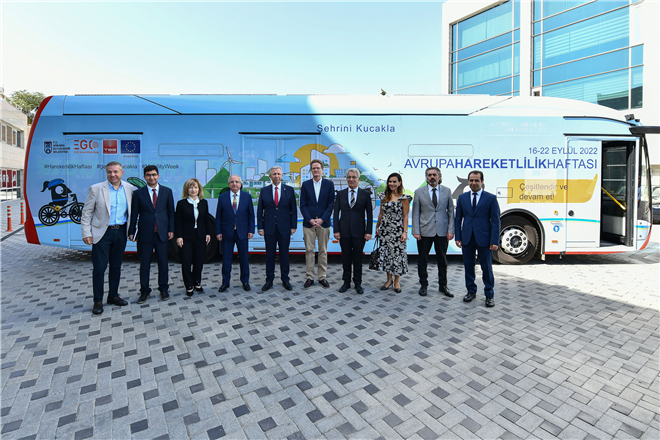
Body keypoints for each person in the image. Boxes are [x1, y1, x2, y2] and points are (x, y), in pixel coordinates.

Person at [81, 161, 134, 315]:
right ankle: (98, 300)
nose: (113, 175)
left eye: (116, 171)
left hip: (121, 232)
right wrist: (86, 233)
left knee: (116, 266)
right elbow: (86, 212)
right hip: (102, 233)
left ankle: (113, 296)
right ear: (106, 173)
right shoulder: (96, 188)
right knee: (100, 267)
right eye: (109, 172)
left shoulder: (129, 188)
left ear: (122, 173)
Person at [128, 165, 175, 304]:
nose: (151, 177)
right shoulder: (138, 193)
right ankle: (144, 291)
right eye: (148, 175)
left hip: (162, 234)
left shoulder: (167, 191)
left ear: (158, 176)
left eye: (154, 174)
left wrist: (171, 229)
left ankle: (164, 289)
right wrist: (131, 231)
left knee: (163, 263)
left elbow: (171, 213)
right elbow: (134, 214)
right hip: (145, 234)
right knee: (144, 264)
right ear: (144, 177)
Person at [455, 170, 501, 308]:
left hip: (485, 239)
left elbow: (495, 221)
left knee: (486, 268)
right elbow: (458, 219)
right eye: (471, 180)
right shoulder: (462, 198)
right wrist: (458, 237)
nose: (473, 183)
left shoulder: (491, 198)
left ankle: (489, 295)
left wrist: (494, 240)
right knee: (469, 267)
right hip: (467, 238)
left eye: (476, 180)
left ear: (482, 181)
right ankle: (471, 291)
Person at [412, 167, 455, 298]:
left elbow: (451, 212)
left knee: (442, 260)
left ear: (439, 177)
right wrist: (416, 231)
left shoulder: (447, 191)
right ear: (426, 177)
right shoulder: (419, 192)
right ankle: (423, 285)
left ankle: (443, 285)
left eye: (434, 175)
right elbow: (415, 213)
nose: (432, 177)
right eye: (429, 175)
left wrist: (451, 230)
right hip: (424, 231)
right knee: (422, 260)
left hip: (442, 231)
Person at [257, 166, 297, 291]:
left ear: (282, 175)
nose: (276, 176)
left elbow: (294, 210)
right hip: (269, 228)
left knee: (284, 255)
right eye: (274, 174)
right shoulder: (264, 191)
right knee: (270, 255)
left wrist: (293, 226)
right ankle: (269, 280)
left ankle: (285, 279)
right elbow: (260, 211)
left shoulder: (289, 190)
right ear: (270, 176)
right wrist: (260, 227)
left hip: (284, 228)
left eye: (278, 174)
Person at [333, 168, 373, 294]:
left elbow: (370, 214)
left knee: (358, 259)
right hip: (344, 232)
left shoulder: (365, 194)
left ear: (358, 179)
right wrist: (336, 230)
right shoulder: (340, 194)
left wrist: (368, 231)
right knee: (346, 259)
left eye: (354, 177)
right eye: (349, 177)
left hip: (359, 233)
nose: (351, 179)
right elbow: (336, 214)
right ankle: (346, 282)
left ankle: (358, 283)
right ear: (346, 179)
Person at [174, 178, 214, 296]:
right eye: (191, 187)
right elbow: (178, 222)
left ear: (199, 189)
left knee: (199, 261)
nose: (193, 190)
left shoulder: (203, 203)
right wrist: (179, 236)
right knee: (186, 262)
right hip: (186, 237)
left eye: (196, 187)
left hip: (200, 236)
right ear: (187, 189)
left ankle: (197, 283)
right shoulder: (181, 204)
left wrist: (208, 233)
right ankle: (189, 285)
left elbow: (206, 220)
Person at [300, 159, 335, 288]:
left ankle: (322, 276)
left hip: (323, 223)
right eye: (313, 168)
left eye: (318, 168)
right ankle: (310, 277)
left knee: (323, 251)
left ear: (322, 170)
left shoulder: (329, 184)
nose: (316, 170)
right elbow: (302, 205)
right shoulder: (305, 185)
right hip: (308, 223)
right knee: (309, 250)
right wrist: (310, 219)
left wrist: (322, 219)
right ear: (311, 170)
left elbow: (331, 204)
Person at [216, 175, 255, 292]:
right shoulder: (222, 197)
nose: (234, 184)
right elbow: (218, 216)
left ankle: (245, 281)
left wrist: (251, 230)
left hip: (242, 232)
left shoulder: (247, 197)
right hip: (227, 232)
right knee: (226, 259)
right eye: (232, 182)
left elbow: (251, 215)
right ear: (228, 184)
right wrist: (218, 231)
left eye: (237, 182)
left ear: (240, 184)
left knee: (244, 258)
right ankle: (225, 282)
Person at [374, 173, 411, 293]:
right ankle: (389, 280)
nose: (392, 184)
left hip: (398, 231)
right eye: (390, 181)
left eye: (394, 181)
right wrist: (377, 226)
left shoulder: (404, 198)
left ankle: (397, 281)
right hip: (385, 231)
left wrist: (405, 232)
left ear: (399, 183)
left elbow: (405, 216)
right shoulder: (384, 196)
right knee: (387, 255)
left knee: (397, 255)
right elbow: (381, 213)